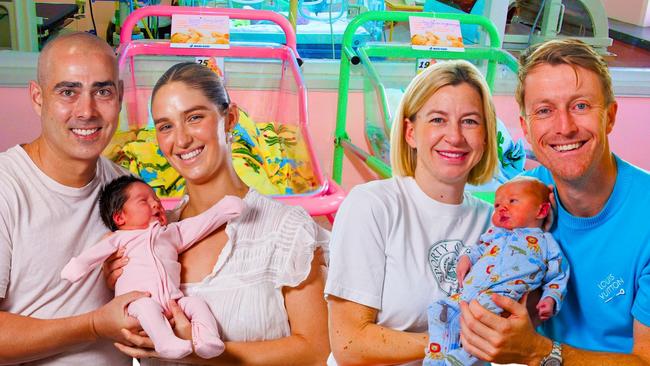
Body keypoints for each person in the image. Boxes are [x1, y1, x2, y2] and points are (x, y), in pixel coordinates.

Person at [107, 62, 330, 365]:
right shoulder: (148, 240)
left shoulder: (285, 229)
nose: (182, 140)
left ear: (230, 119)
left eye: (195, 117)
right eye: (166, 126)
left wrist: (200, 354)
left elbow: (315, 352)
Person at [459, 39, 650, 365]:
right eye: (545, 111)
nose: (564, 127)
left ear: (610, 117)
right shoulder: (522, 199)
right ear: (527, 129)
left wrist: (538, 351)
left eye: (580, 106)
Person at [324, 59, 499, 366]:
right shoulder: (373, 206)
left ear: (486, 137)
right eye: (437, 120)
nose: (455, 137)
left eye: (470, 121)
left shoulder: (494, 223)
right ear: (409, 132)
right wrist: (454, 338)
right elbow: (350, 343)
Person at [0, 32, 145, 365]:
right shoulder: (7, 188)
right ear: (37, 98)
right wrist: (94, 326)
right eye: (68, 92)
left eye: (103, 91)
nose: (87, 111)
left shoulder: (125, 187)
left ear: (120, 97)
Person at [61, 175, 244, 359]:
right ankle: (166, 343)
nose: (156, 204)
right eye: (144, 201)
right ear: (120, 217)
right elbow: (93, 255)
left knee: (196, 304)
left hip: (174, 302)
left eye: (157, 199)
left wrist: (223, 210)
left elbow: (200, 224)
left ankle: (207, 339)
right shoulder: (119, 239)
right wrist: (77, 266)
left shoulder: (171, 234)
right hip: (137, 301)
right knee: (147, 307)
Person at [424, 177, 569, 365]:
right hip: (468, 293)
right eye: (497, 204)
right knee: (438, 309)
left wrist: (551, 298)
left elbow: (559, 274)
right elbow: (478, 248)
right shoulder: (495, 234)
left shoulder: (546, 242)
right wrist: (467, 258)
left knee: (481, 332)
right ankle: (437, 357)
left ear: (541, 210)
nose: (502, 207)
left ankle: (457, 360)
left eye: (513, 201)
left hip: (499, 298)